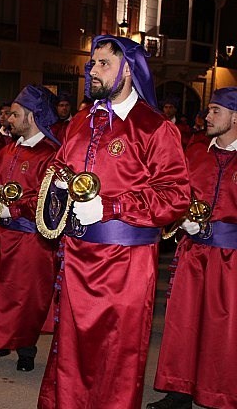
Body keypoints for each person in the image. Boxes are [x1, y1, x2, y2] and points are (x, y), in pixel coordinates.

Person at [35, 35, 190, 409]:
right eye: (92, 64)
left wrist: (111, 207)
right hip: (77, 255)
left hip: (125, 264)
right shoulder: (80, 121)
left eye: (103, 63)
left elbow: (176, 196)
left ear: (129, 69)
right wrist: (58, 180)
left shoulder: (154, 128)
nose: (93, 71)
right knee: (72, 348)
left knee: (116, 353)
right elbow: (61, 163)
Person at [148, 86, 237, 409]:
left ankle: (219, 393)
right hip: (192, 251)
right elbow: (177, 196)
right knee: (182, 319)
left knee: (223, 325)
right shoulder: (197, 151)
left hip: (231, 258)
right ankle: (179, 389)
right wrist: (180, 219)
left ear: (235, 117)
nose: (207, 116)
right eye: (208, 110)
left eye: (215, 110)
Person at [0, 85, 61, 372]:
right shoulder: (8, 149)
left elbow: (50, 197)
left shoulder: (50, 153)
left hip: (29, 237)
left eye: (15, 114)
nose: (9, 118)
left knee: (25, 295)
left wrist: (16, 208)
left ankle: (26, 348)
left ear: (32, 116)